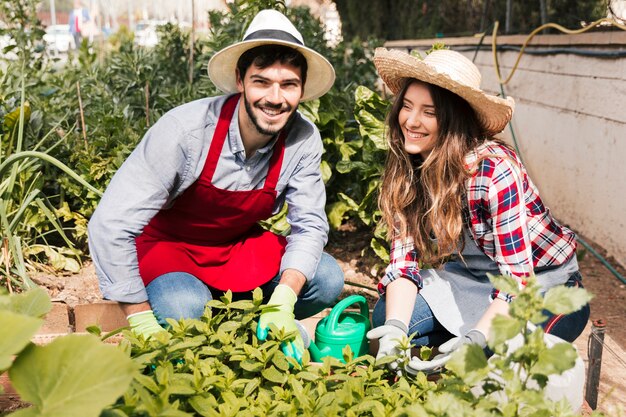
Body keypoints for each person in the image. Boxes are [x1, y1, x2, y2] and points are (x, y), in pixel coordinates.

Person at [87, 9, 344, 362]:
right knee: (185, 308)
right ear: (240, 80)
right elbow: (110, 224)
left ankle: (258, 327)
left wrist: (284, 300)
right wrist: (141, 319)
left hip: (234, 248)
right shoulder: (185, 132)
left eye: (288, 85)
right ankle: (219, 325)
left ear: (301, 89)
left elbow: (310, 225)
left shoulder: (302, 138)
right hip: (170, 248)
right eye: (262, 82)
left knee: (326, 278)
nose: (275, 98)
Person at [365, 47, 590, 374]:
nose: (411, 121)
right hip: (473, 277)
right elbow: (404, 261)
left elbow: (517, 281)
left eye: (429, 112)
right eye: (407, 107)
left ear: (454, 119)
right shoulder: (408, 165)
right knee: (389, 314)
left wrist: (477, 340)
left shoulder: (492, 171)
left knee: (500, 361)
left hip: (542, 283)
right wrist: (395, 331)